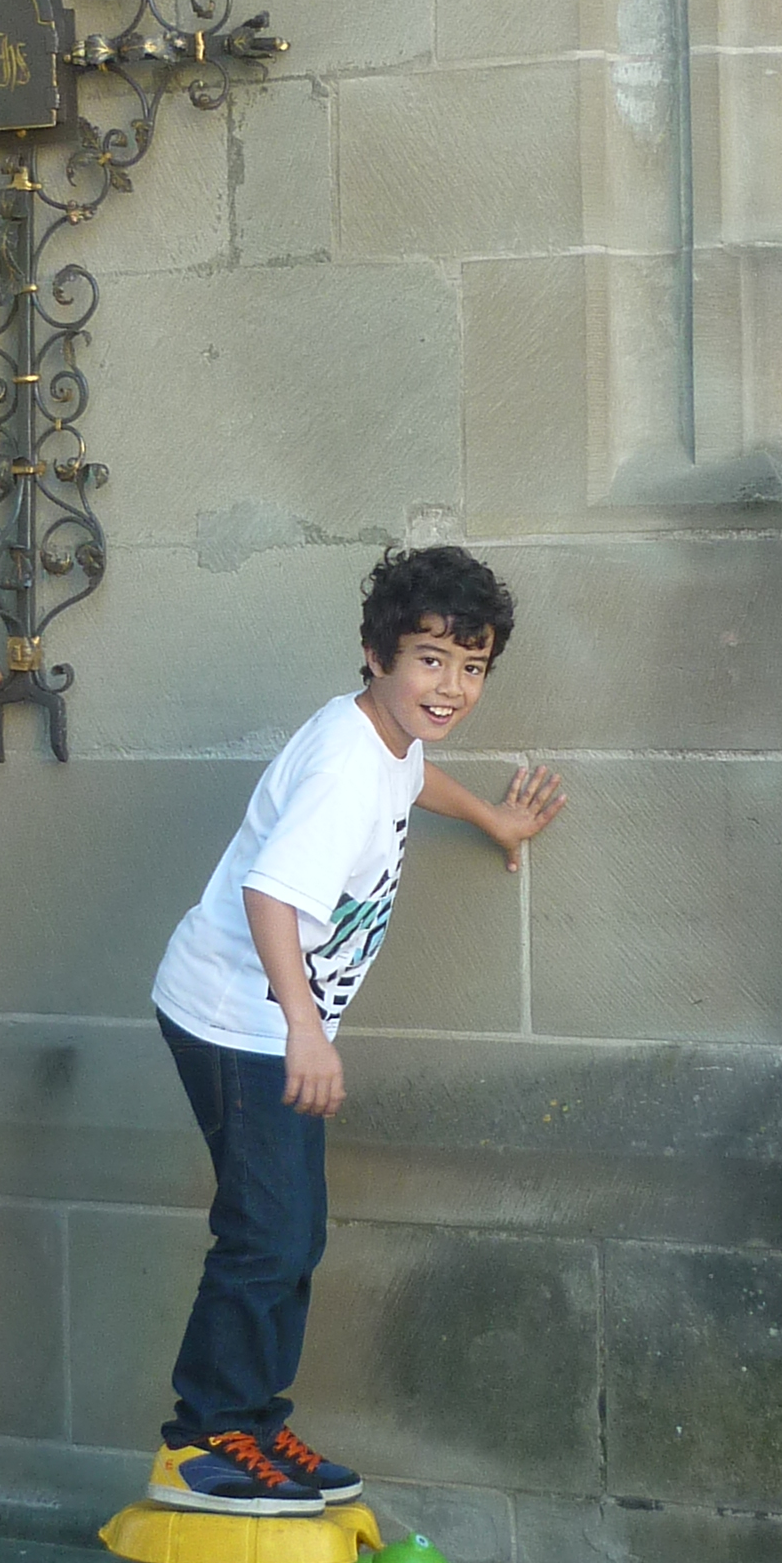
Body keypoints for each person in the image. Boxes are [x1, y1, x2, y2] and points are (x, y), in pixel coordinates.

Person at [145, 545, 566, 1514]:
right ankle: (203, 1440)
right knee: (266, 1236)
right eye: (430, 659)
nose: (451, 686)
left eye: (471, 665)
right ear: (377, 653)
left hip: (264, 1022)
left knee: (291, 1233)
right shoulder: (343, 765)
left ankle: (250, 1424)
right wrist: (304, 1028)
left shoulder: (386, 736)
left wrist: (491, 819)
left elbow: (413, 779)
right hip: (239, 1020)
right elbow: (268, 894)